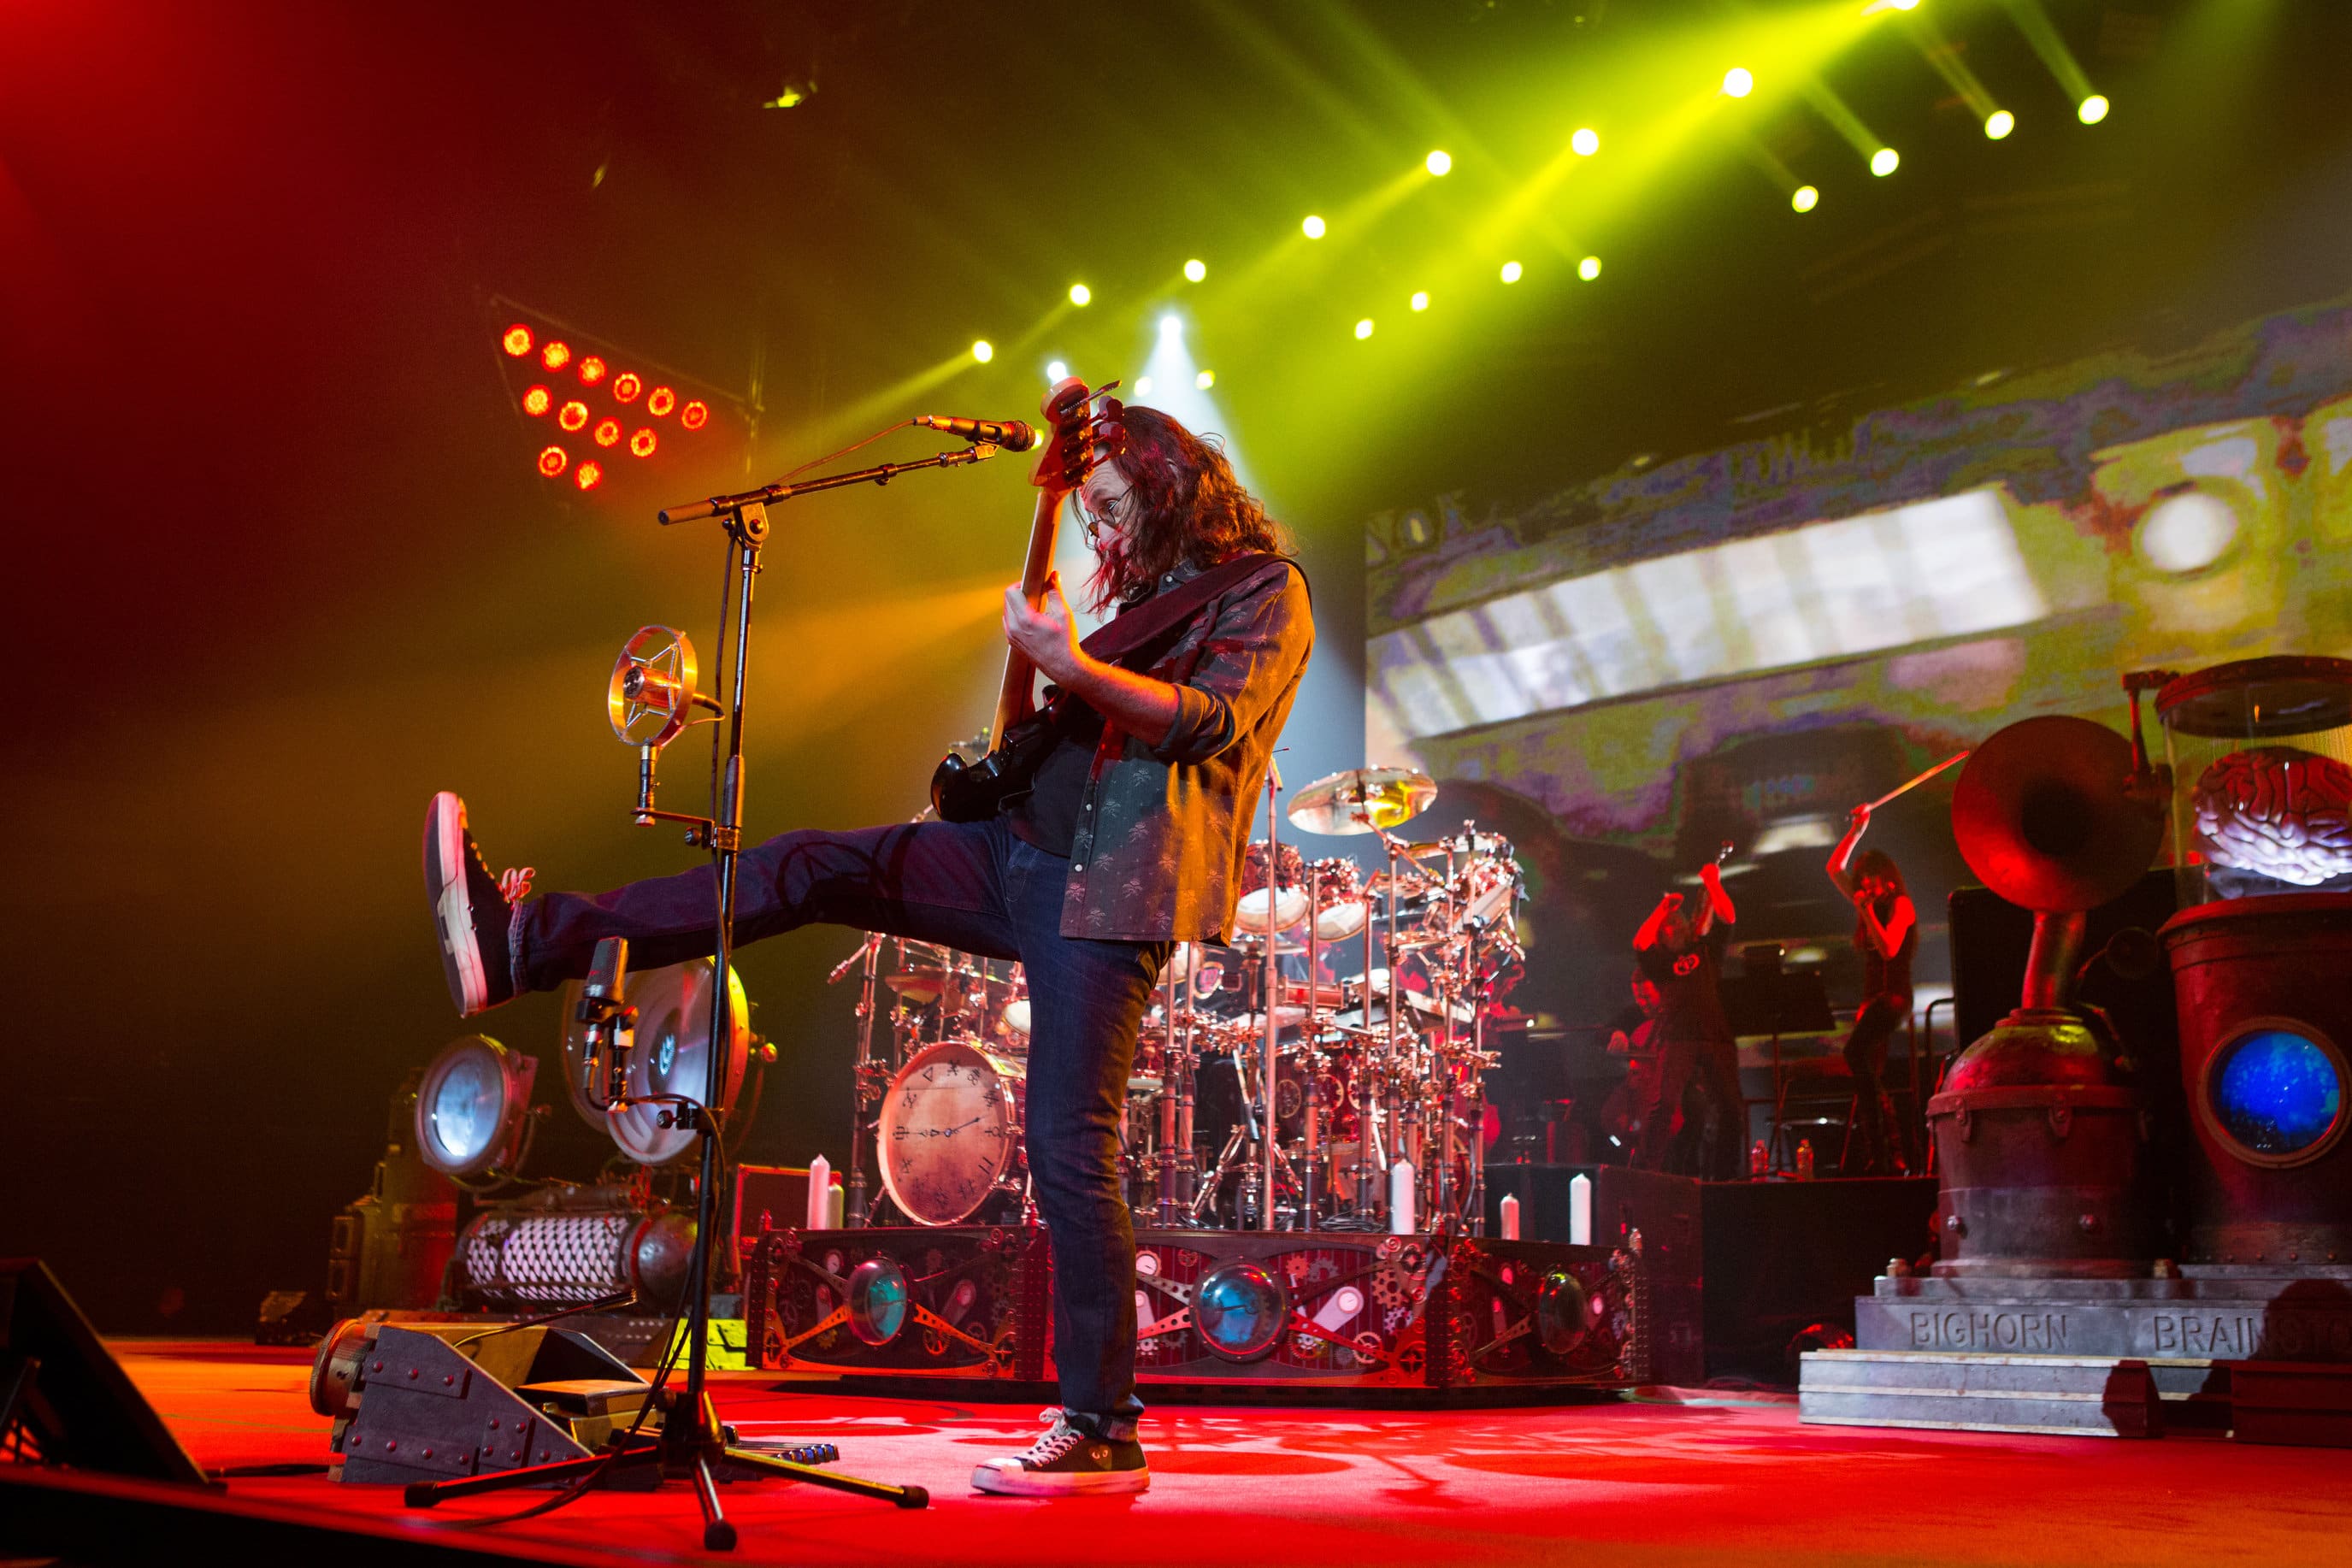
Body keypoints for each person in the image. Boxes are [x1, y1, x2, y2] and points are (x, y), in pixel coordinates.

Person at [422, 403, 1312, 1496]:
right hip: (1016, 852)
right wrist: (1045, 544)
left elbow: (1205, 721)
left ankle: (1101, 1428)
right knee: (806, 862)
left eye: (1115, 508)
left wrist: (1069, 661)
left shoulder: (1266, 589)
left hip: (1111, 891)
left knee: (1067, 1145)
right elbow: (1028, 720)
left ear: (1171, 488)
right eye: (1093, 515)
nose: (1106, 533)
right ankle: (523, 942)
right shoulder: (1132, 604)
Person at [1628, 855, 1743, 1179]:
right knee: (1664, 1106)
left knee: (1730, 1107)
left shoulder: (1706, 949)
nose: (1675, 926)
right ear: (1662, 935)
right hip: (1679, 1037)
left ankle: (1724, 1178)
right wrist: (1662, 909)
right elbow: (1640, 942)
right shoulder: (1662, 964)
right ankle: (1650, 1174)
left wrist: (1713, 883)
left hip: (1714, 1034)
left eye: (1678, 921)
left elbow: (1728, 917)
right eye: (1669, 925)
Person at [1826, 804, 1917, 1176]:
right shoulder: (1867, 901)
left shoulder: (1901, 904)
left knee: (1854, 1054)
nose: (1863, 885)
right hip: (1873, 1000)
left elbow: (1889, 949)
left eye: (1869, 878)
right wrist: (1856, 832)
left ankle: (1884, 1151)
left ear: (1886, 878)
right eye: (1861, 879)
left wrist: (1864, 911)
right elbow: (1834, 869)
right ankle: (1887, 1156)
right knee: (1868, 1074)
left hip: (1894, 998)